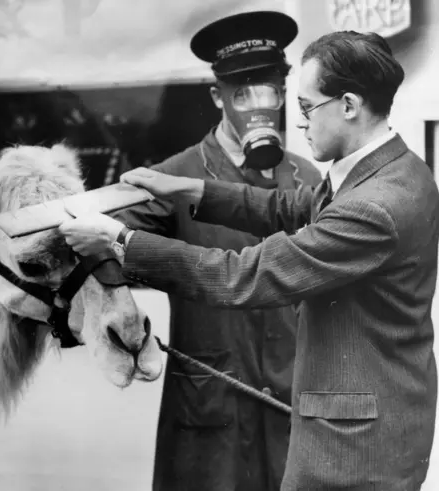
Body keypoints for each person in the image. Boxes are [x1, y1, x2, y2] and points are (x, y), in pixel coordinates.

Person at [59, 30, 439, 491]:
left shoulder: (373, 204)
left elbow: (244, 276)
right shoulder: (392, 170)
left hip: (352, 447)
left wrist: (121, 239)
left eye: (304, 107)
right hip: (374, 420)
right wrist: (192, 189)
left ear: (349, 105)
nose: (296, 123)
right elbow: (288, 207)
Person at [109, 10, 321, 491]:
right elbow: (102, 244)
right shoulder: (174, 177)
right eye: (240, 93)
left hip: (294, 417)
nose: (256, 103)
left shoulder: (310, 181)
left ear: (285, 92)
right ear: (217, 97)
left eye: (267, 88)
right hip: (210, 418)